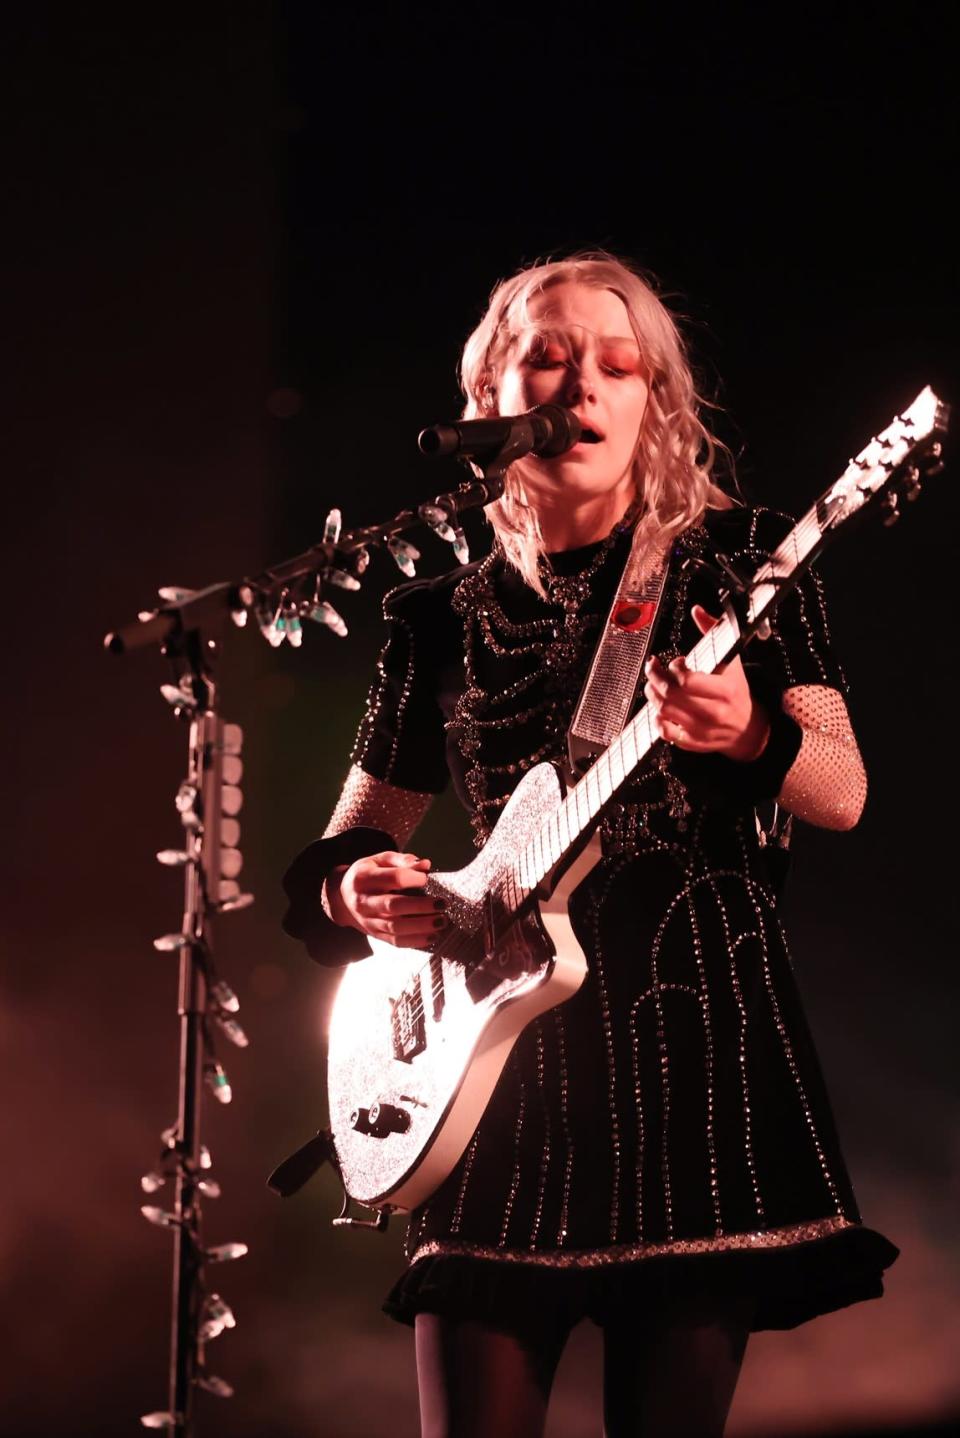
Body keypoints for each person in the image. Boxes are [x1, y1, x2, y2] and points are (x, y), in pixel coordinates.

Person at [281, 252, 898, 1438]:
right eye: (551, 357)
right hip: (490, 1082)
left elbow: (843, 789)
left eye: (619, 365)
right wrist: (360, 887)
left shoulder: (740, 565)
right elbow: (353, 835)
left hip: (693, 1060)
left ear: (655, 403)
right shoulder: (435, 616)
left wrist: (752, 733)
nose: (585, 385)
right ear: (492, 396)